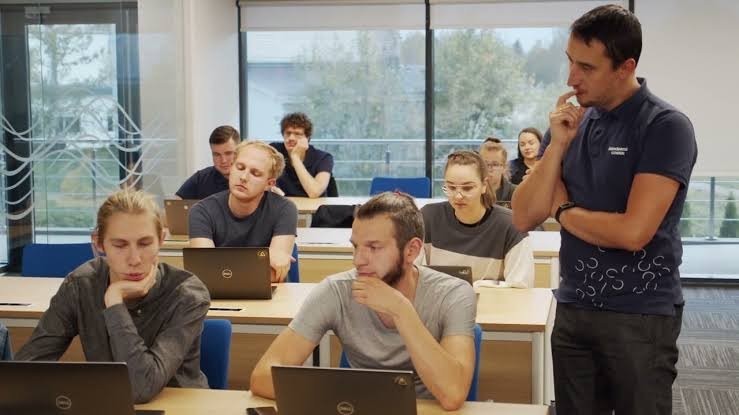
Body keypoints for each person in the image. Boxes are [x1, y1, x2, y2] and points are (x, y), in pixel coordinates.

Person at [511, 5, 697, 414]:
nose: (570, 78)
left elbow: (633, 233)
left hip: (641, 314)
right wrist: (557, 146)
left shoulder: (665, 126)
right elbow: (524, 216)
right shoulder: (568, 125)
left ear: (625, 67)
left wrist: (563, 211)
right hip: (574, 306)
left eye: (587, 67)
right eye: (570, 61)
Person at [250, 192, 476, 410]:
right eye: (356, 246)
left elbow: (453, 394)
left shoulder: (453, 294)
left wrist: (401, 311)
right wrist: (342, 399)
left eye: (374, 248)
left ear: (411, 250)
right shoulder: (336, 290)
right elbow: (262, 378)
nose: (358, 260)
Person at [16, 189, 210, 403]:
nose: (134, 259)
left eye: (145, 243)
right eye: (120, 245)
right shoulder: (81, 285)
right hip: (107, 404)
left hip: (181, 407)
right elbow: (25, 369)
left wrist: (114, 302)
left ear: (161, 239)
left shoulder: (188, 294)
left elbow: (140, 388)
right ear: (99, 243)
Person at [188, 140, 298, 282]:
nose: (243, 177)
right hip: (217, 294)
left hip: (269, 294)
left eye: (255, 173)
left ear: (269, 184)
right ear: (231, 168)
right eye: (240, 167)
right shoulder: (201, 211)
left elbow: (274, 274)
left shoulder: (285, 209)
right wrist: (262, 257)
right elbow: (205, 272)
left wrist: (221, 266)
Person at [421, 150, 534, 288]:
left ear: (484, 185)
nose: (458, 196)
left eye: (467, 188)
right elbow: (413, 277)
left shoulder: (511, 226)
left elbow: (520, 287)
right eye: (451, 187)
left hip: (494, 302)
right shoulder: (428, 218)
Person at [270, 112, 334, 198]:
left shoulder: (324, 158)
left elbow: (314, 192)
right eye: (288, 133)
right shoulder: (274, 151)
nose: (291, 138)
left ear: (307, 138)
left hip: (313, 206)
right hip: (283, 204)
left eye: (297, 134)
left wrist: (295, 157)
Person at [176, 125, 240, 199]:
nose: (223, 160)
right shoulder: (201, 179)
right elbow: (174, 203)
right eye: (217, 154)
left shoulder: (248, 179)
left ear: (239, 150)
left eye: (228, 153)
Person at [479, 137, 517, 208]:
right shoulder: (472, 191)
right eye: (485, 164)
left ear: (504, 167)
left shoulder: (516, 192)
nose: (489, 169)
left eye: (495, 164)